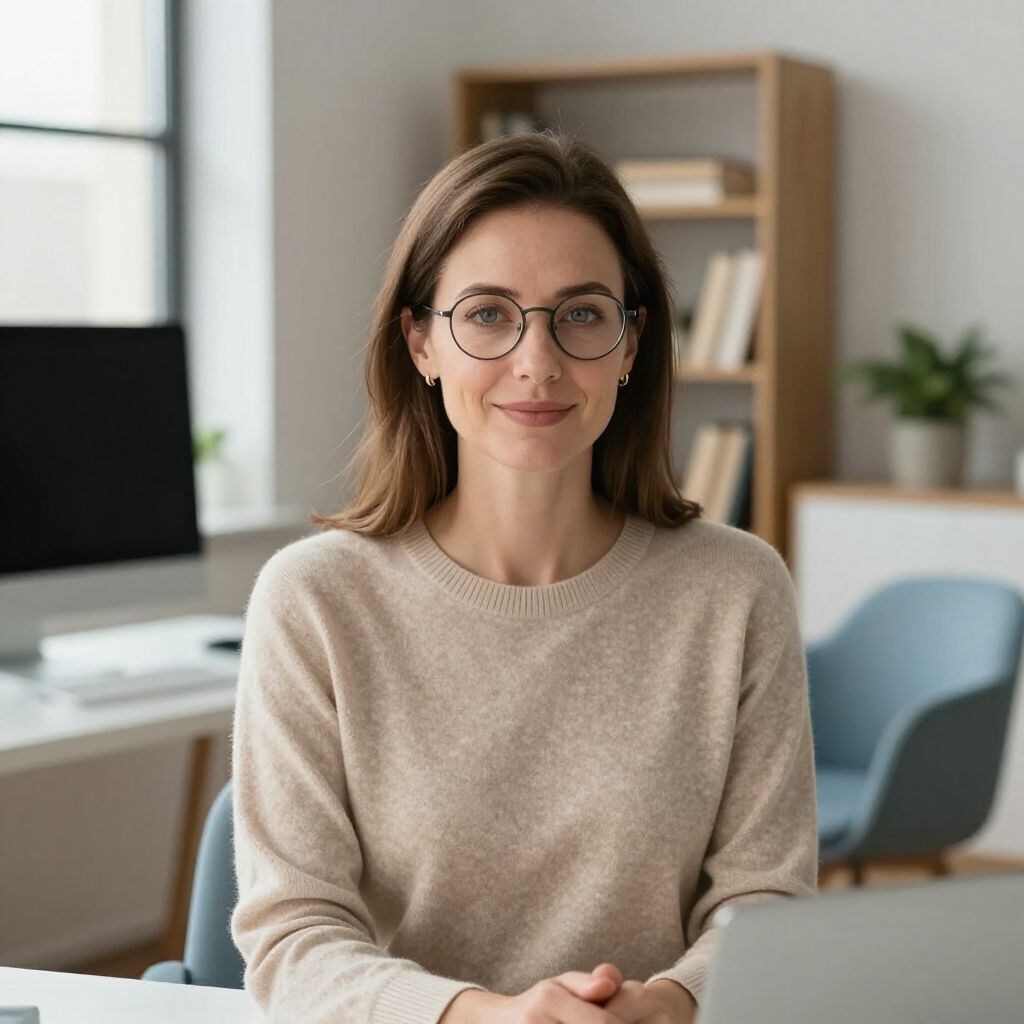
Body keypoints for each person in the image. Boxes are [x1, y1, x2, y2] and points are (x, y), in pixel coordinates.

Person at [230, 129, 819, 1024]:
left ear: (630, 346)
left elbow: (768, 896)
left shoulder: (737, 589)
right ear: (421, 342)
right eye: (488, 313)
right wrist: (487, 1016)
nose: (537, 362)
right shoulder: (314, 599)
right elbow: (292, 936)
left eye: (581, 313)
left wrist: (670, 1002)